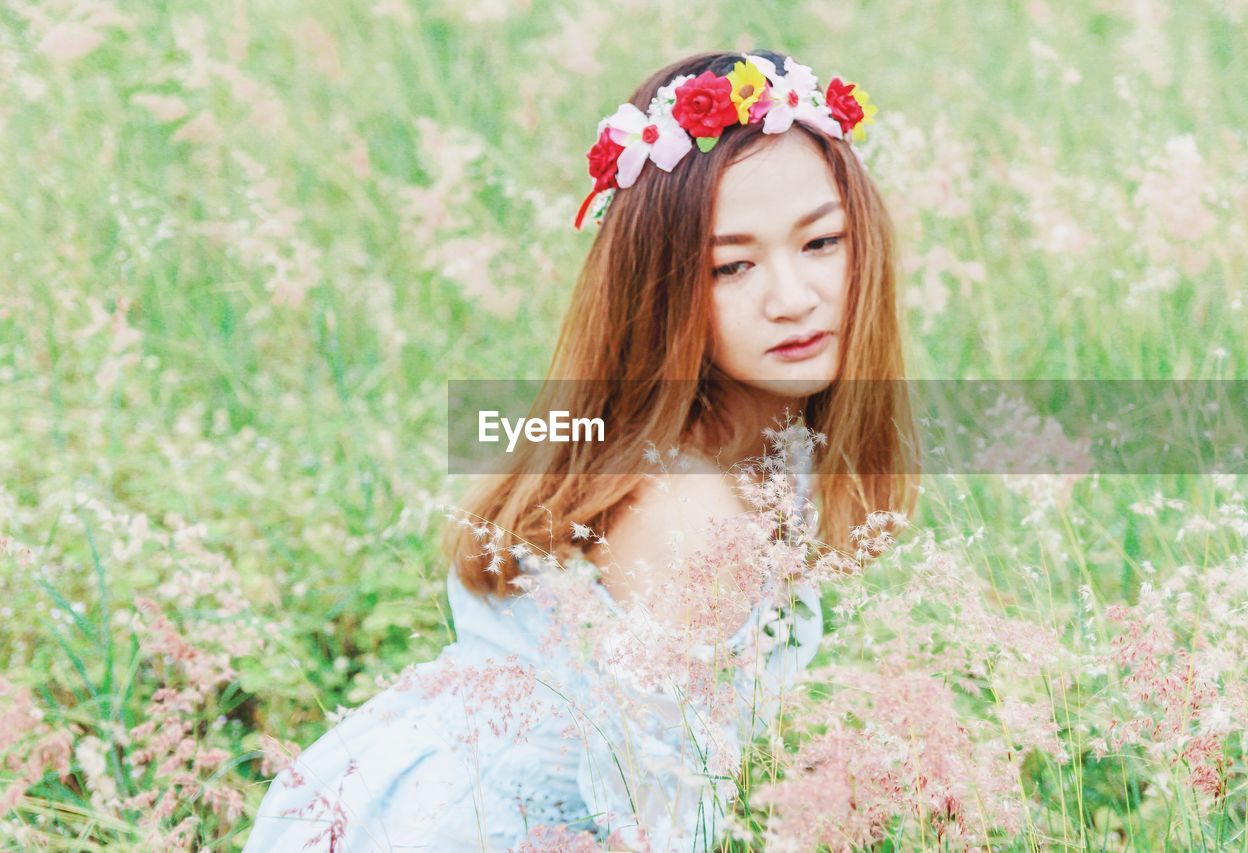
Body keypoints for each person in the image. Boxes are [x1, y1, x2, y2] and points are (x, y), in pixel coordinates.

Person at [244, 48, 917, 852]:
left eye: (821, 243)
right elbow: (655, 826)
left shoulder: (733, 435)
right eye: (731, 265)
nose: (792, 297)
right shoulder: (687, 512)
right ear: (662, 287)